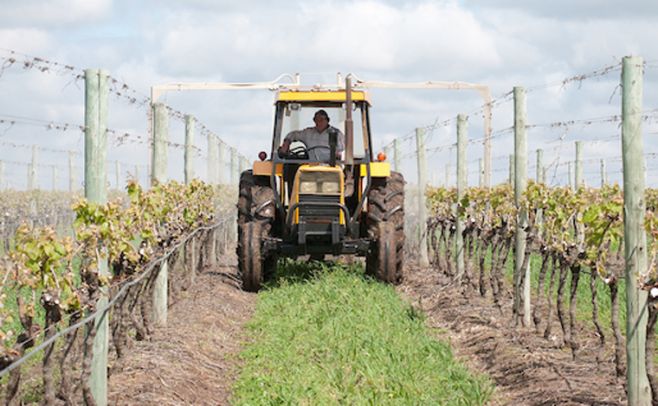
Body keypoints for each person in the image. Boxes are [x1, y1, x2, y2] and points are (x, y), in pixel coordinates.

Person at [278, 109, 345, 162]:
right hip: (311, 166)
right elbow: (293, 134)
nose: (318, 122)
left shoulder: (336, 133)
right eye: (316, 120)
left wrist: (336, 154)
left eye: (321, 120)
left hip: (331, 167)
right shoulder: (308, 133)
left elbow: (341, 149)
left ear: (327, 120)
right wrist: (286, 143)